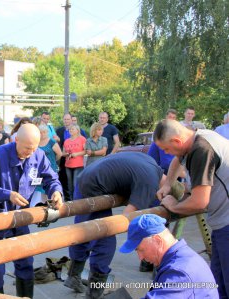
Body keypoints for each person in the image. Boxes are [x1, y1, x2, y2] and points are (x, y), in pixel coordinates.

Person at [64, 152, 182, 298]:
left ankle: (73, 276)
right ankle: (94, 293)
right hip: (94, 185)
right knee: (104, 240)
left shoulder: (151, 164)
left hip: (86, 176)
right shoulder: (149, 184)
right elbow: (125, 218)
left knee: (83, 231)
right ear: (164, 194)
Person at [0, 123, 64, 298]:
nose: (30, 153)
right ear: (16, 140)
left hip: (21, 217)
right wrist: (7, 194)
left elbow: (51, 178)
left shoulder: (38, 156)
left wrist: (56, 191)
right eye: (27, 148)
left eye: (33, 149)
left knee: (25, 260)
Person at [154, 119, 229, 298]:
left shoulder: (202, 150)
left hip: (227, 225)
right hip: (221, 225)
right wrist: (167, 185)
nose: (167, 153)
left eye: (166, 149)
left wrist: (174, 206)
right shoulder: (197, 139)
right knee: (218, 285)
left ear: (177, 141)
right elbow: (176, 161)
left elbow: (199, 202)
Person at [120, 214, 218, 298]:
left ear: (158, 241)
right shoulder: (182, 256)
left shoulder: (179, 272)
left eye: (141, 250)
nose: (141, 257)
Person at [32, 124, 62, 206]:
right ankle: (39, 205)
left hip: (50, 168)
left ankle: (51, 205)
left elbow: (59, 154)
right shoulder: (36, 142)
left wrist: (53, 161)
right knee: (39, 188)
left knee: (50, 186)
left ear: (47, 132)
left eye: (44, 132)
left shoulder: (52, 142)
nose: (42, 134)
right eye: (40, 132)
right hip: (38, 169)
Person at [148, 109, 178, 174]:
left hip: (162, 170)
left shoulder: (172, 133)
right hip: (154, 171)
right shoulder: (163, 132)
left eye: (174, 118)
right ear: (166, 117)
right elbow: (166, 163)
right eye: (170, 117)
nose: (172, 120)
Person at [63, 124, 87, 201]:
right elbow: (63, 153)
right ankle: (71, 202)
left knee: (75, 184)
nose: (71, 130)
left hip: (78, 165)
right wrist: (66, 154)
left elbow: (86, 151)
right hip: (68, 165)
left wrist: (76, 154)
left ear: (77, 130)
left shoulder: (82, 139)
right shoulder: (66, 141)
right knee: (70, 186)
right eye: (70, 129)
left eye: (72, 129)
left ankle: (77, 201)